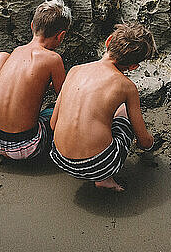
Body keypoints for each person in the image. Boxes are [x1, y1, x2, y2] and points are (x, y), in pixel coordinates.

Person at [49, 23, 158, 191]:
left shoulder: (75, 70)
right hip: (99, 165)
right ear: (133, 66)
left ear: (108, 42)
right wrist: (149, 145)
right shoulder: (126, 86)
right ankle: (105, 179)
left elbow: (53, 124)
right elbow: (142, 140)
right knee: (123, 111)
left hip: (59, 159)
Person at [0, 0, 71, 160]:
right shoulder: (53, 59)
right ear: (61, 36)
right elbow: (64, 98)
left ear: (32, 26)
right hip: (25, 145)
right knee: (61, 106)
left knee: (1, 57)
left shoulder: (17, 51)